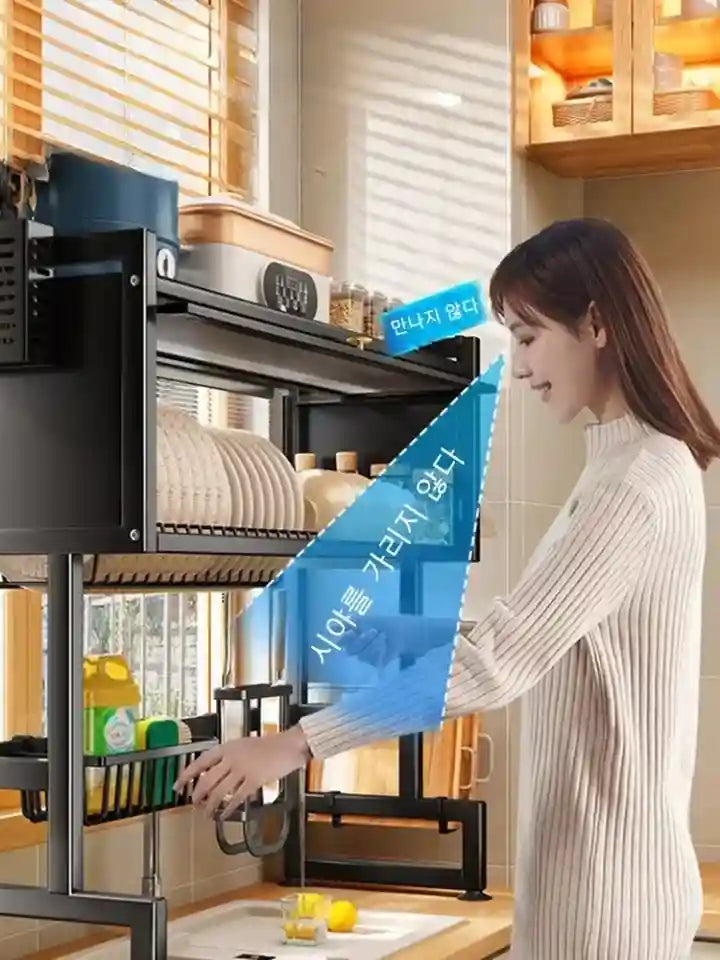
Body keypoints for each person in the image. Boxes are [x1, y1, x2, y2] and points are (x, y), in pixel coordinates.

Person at [175, 217, 720, 960]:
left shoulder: (637, 483)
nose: (520, 366)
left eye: (527, 337)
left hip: (604, 899)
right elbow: (543, 630)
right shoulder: (630, 466)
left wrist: (296, 745)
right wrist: (407, 637)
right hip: (598, 883)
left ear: (596, 321)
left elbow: (500, 662)